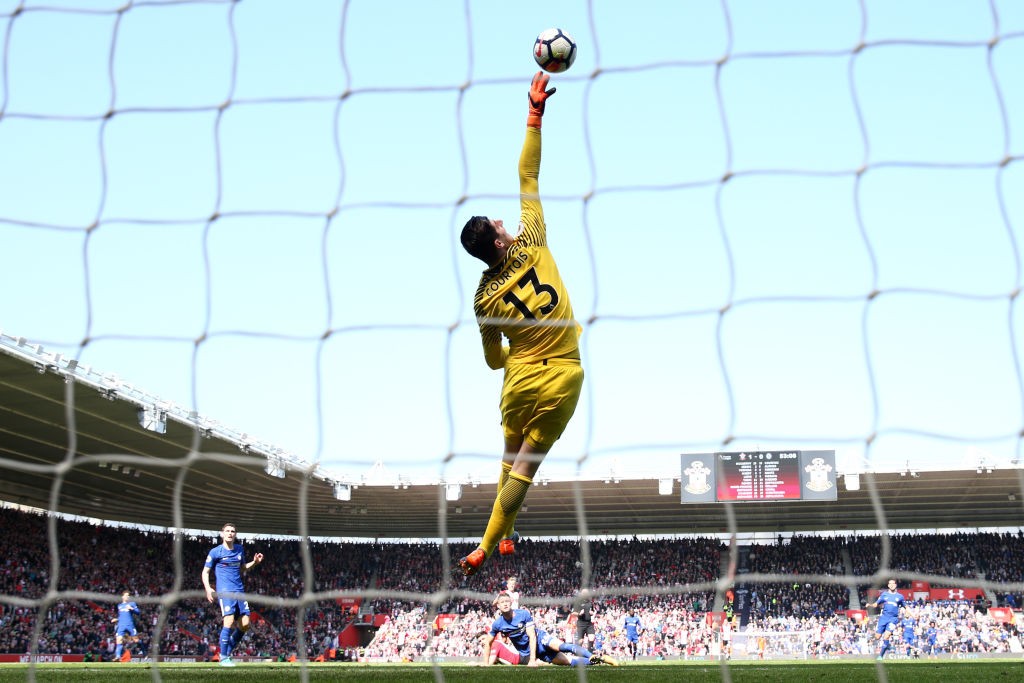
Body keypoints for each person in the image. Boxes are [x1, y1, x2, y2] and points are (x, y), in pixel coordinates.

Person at [457, 71, 583, 577]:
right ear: (502, 241)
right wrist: (534, 115)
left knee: (511, 459)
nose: (507, 224)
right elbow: (528, 178)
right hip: (562, 375)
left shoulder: (483, 296)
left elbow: (492, 361)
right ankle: (486, 544)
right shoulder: (531, 241)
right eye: (501, 225)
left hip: (519, 380)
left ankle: (504, 536)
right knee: (524, 472)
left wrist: (513, 358)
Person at [480, 592, 615, 667]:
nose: (505, 604)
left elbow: (532, 637)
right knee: (568, 662)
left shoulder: (523, 614)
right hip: (535, 653)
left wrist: (532, 660)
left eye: (507, 602)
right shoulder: (498, 624)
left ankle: (590, 655)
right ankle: (601, 660)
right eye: (501, 602)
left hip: (540, 640)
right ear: (497, 606)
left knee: (563, 646)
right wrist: (486, 664)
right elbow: (488, 642)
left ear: (511, 603)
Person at [201, 522, 265, 667]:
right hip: (225, 591)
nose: (230, 533)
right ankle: (223, 658)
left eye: (233, 531)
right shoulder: (215, 552)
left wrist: (254, 562)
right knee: (228, 621)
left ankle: (227, 651)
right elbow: (205, 572)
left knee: (245, 624)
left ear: (235, 534)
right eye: (227, 531)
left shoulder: (239, 549)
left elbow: (242, 568)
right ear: (222, 534)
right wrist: (208, 588)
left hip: (239, 591)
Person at [870, 578, 905, 660]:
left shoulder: (900, 597)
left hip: (893, 619)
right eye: (890, 583)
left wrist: (912, 614)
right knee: (877, 636)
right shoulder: (884, 595)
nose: (892, 585)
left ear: (896, 585)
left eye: (893, 583)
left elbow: (906, 606)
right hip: (884, 618)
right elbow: (876, 604)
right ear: (888, 585)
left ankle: (881, 656)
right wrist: (870, 605)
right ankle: (887, 645)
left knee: (886, 636)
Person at [111, 591, 140, 662]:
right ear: (122, 597)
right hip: (122, 625)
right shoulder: (119, 606)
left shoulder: (132, 604)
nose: (128, 597)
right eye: (126, 595)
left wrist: (131, 608)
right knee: (118, 640)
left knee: (137, 641)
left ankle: (144, 652)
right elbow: (121, 616)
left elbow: (138, 612)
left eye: (128, 596)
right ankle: (118, 656)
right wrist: (117, 619)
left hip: (129, 624)